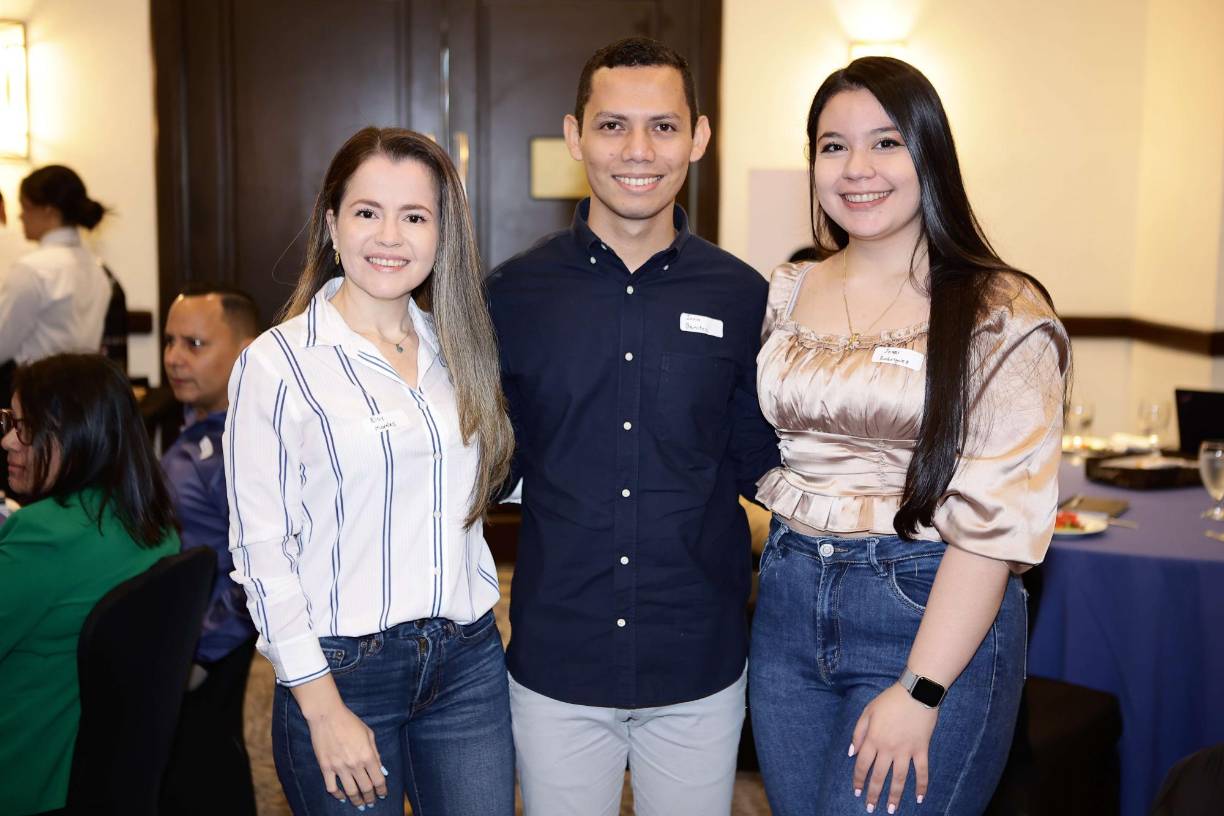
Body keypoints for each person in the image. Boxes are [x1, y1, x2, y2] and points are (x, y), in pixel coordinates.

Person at [748, 57, 1070, 816]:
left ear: (930, 152)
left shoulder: (1001, 308)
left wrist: (922, 688)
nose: (857, 168)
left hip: (926, 613)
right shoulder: (789, 289)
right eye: (832, 146)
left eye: (886, 142)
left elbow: (993, 527)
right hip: (788, 603)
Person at [487, 37, 780, 815]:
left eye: (663, 126)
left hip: (698, 659)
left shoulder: (744, 296)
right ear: (575, 136)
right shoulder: (511, 295)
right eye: (613, 126)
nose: (638, 151)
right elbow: (481, 463)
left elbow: (767, 468)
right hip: (559, 657)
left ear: (700, 138)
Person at [224, 127, 516, 814]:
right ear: (332, 223)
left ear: (443, 233)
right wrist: (321, 709)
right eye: (366, 212)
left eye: (414, 216)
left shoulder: (462, 349)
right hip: (342, 673)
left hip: (468, 662)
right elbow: (260, 554)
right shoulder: (276, 365)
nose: (390, 236)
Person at [0, 353, 180, 815]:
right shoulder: (152, 523)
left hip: (26, 771)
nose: (7, 441)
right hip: (95, 767)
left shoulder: (43, 537)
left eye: (22, 426)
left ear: (72, 435)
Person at [159, 284, 260, 815]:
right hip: (187, 631)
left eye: (194, 344)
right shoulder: (198, 426)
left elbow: (259, 563)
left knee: (205, 770)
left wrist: (200, 649)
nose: (175, 357)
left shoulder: (240, 447)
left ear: (244, 351)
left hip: (210, 637)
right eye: (170, 341)